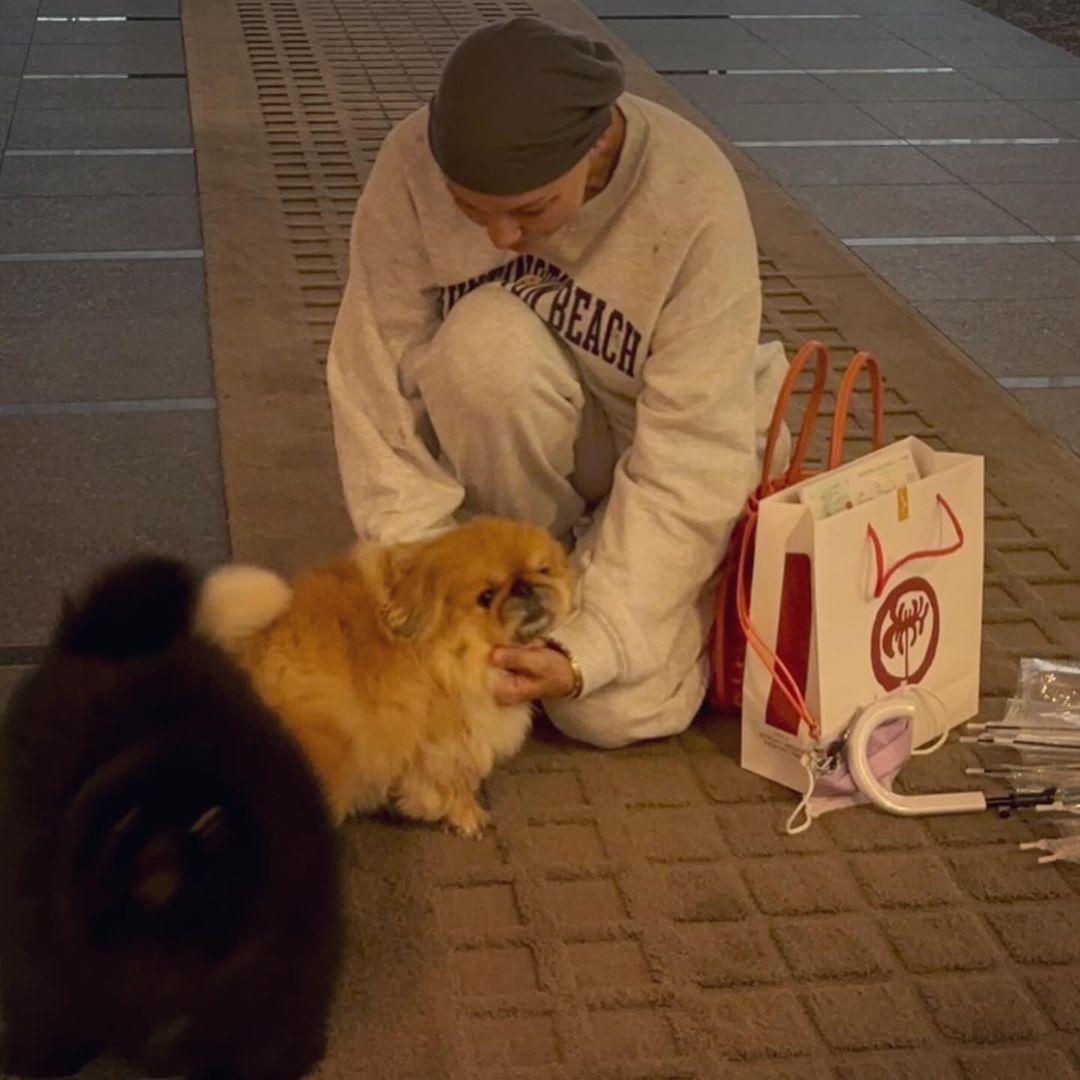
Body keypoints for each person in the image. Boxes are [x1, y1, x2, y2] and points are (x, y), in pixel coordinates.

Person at [326, 15, 789, 749]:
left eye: (530, 209)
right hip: (537, 418)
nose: (500, 239)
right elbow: (373, 381)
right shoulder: (410, 163)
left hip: (668, 452)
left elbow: (693, 453)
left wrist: (594, 641)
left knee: (609, 711)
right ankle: (543, 565)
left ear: (600, 141)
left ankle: (664, 587)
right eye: (470, 211)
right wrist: (429, 573)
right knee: (479, 347)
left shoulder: (693, 193)